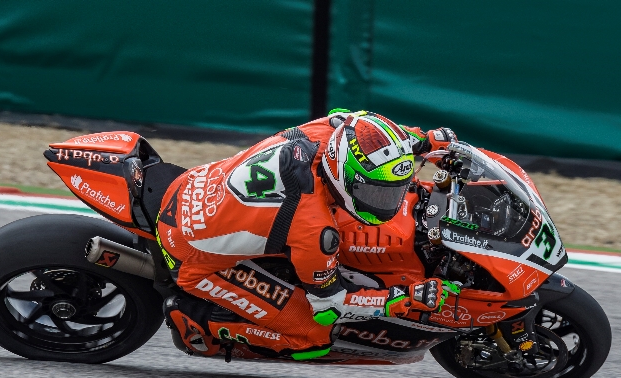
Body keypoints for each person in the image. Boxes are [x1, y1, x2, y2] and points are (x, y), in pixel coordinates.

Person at [156, 109, 460, 361]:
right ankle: (195, 317)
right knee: (313, 334)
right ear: (346, 175)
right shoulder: (314, 229)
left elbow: (363, 123)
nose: (389, 203)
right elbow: (331, 305)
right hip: (189, 252)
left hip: (192, 185)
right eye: (377, 193)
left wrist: (422, 140)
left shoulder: (329, 131)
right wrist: (400, 299)